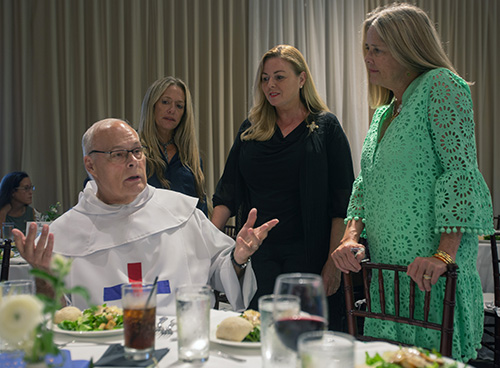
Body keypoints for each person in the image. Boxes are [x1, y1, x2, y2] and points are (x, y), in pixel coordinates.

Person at [330, 3, 494, 362]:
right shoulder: (385, 112)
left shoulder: (442, 85)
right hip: (390, 280)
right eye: (366, 50)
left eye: (378, 50)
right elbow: (365, 186)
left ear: (408, 48)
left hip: (430, 276)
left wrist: (444, 254)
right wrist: (350, 237)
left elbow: (460, 172)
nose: (368, 59)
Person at [13, 118, 278, 315]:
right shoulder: (64, 234)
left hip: (185, 347)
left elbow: (220, 272)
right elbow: (59, 320)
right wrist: (43, 275)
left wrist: (238, 258)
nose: (133, 161)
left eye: (137, 151)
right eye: (118, 154)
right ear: (90, 165)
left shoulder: (180, 212)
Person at [211, 44, 355, 330]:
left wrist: (332, 264)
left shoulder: (326, 128)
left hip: (310, 256)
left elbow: (343, 203)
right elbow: (228, 190)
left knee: (304, 339)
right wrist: (204, 243)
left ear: (302, 79)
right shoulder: (251, 129)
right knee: (260, 335)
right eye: (265, 78)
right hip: (261, 256)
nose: (270, 85)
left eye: (279, 77)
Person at [139, 76, 208, 215]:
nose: (172, 110)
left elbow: (200, 211)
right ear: (152, 105)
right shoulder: (133, 152)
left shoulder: (191, 158)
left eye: (179, 106)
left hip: (184, 234)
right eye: (165, 102)